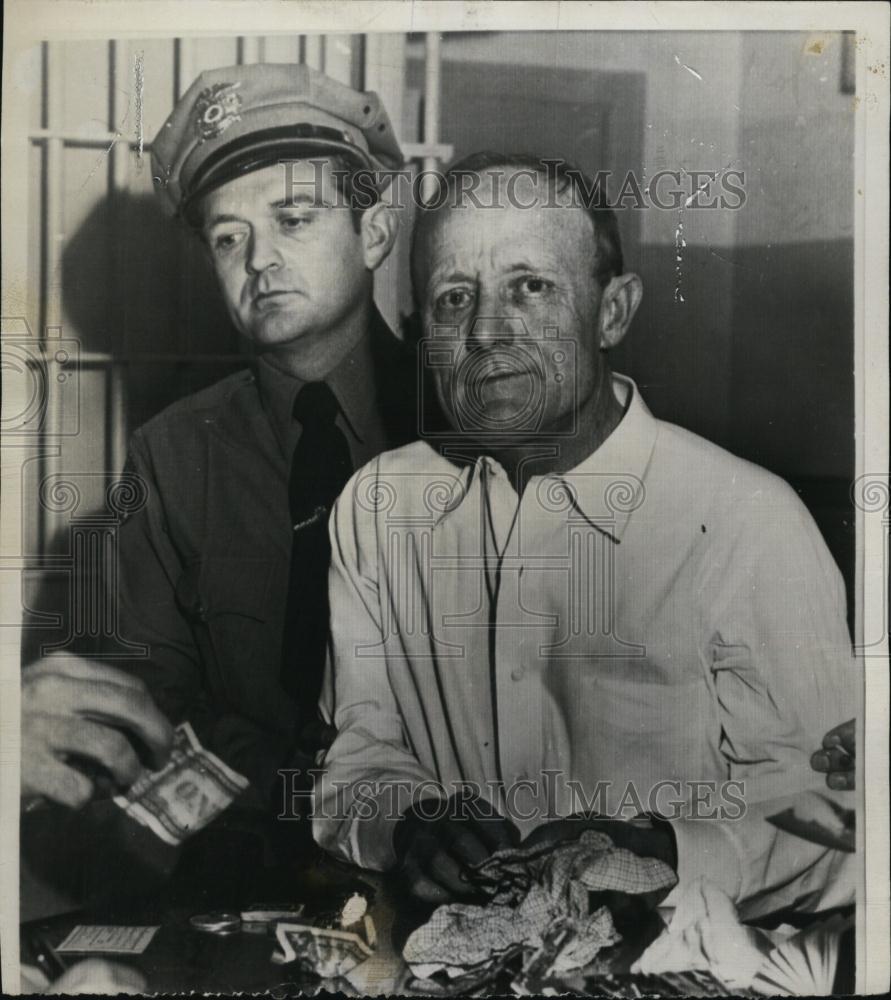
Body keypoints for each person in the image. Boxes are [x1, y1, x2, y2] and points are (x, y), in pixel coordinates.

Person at [314, 153, 859, 920]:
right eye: (452, 298)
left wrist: (670, 852)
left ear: (612, 312)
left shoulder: (745, 520)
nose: (486, 333)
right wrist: (408, 823)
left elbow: (840, 819)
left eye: (529, 287)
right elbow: (358, 756)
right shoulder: (376, 509)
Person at [111, 63, 413, 817]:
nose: (258, 260)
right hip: (253, 860)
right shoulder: (172, 458)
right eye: (227, 237)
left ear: (373, 232)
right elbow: (149, 710)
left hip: (477, 853)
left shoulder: (468, 423)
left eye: (294, 218)